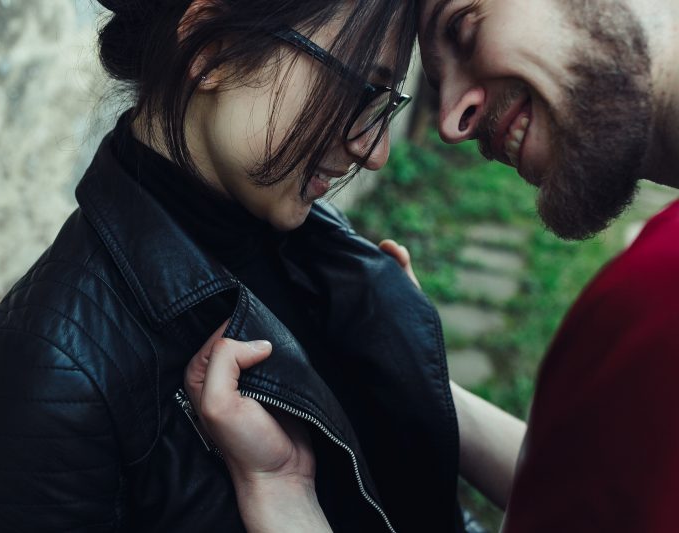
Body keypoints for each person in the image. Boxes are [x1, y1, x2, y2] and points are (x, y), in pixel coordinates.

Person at [0, 0, 484, 531]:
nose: (376, 150)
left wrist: (404, 369)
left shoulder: (322, 255)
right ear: (217, 51)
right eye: (362, 90)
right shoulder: (41, 370)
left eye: (385, 105)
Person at [186, 0, 679, 531]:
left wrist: (283, 492)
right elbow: (595, 491)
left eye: (465, 28)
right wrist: (421, 381)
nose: (451, 124)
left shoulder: (658, 300)